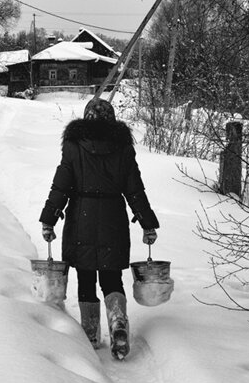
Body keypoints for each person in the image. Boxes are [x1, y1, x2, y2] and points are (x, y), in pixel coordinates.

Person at [38, 97, 159, 360]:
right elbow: (135, 190)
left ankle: (91, 335)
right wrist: (147, 223)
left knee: (86, 277)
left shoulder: (74, 145)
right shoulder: (123, 147)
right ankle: (118, 321)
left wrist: (49, 219)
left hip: (81, 218)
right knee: (111, 277)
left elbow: (61, 185)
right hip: (113, 219)